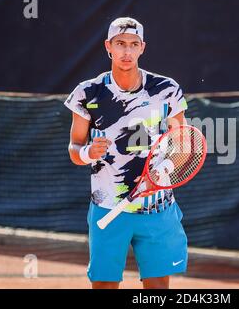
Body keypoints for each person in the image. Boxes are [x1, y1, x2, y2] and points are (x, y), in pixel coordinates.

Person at [64, 17, 189, 289]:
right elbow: (74, 149)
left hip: (157, 207)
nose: (127, 52)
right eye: (120, 44)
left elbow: (184, 145)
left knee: (156, 287)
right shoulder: (87, 92)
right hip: (108, 207)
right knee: (105, 287)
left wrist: (160, 172)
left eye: (133, 44)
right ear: (108, 46)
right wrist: (87, 153)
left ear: (142, 48)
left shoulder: (167, 90)